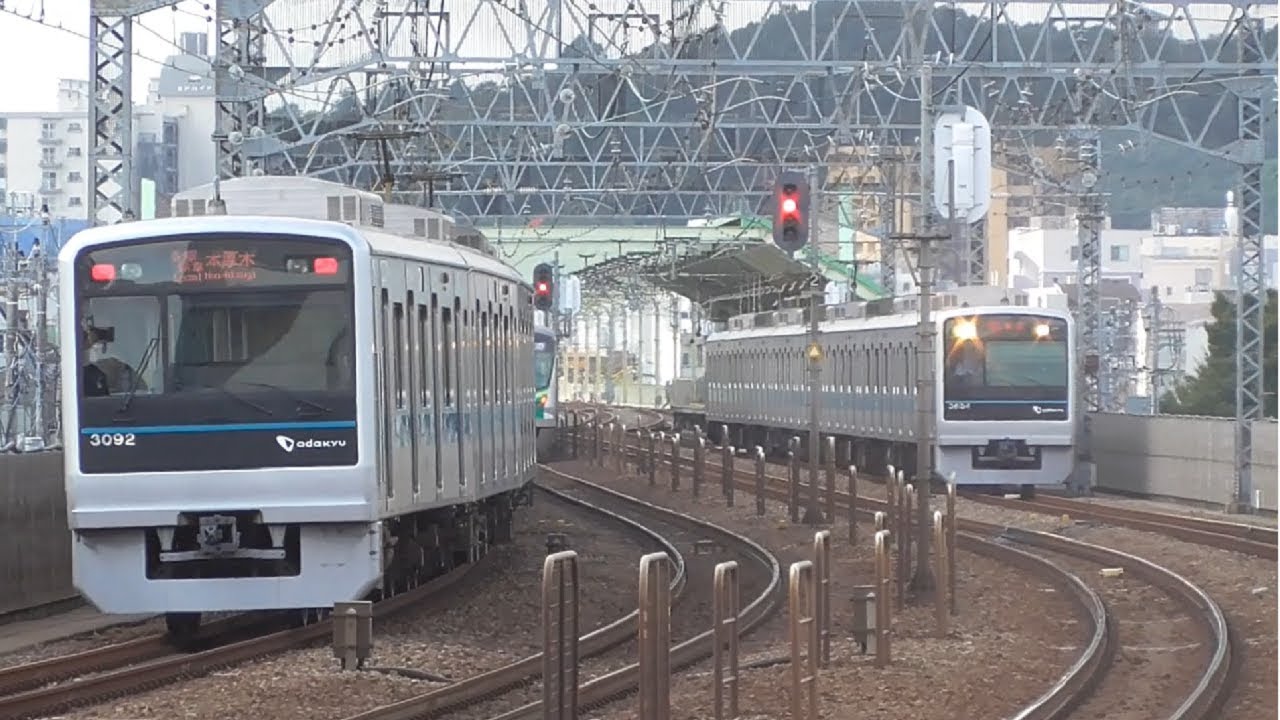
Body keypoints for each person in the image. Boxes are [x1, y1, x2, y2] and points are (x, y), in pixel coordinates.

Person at [82, 326, 110, 397]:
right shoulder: (78, 336)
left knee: (101, 376)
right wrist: (93, 340)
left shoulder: (84, 331)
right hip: (82, 369)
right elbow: (84, 345)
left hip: (87, 367)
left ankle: (104, 397)